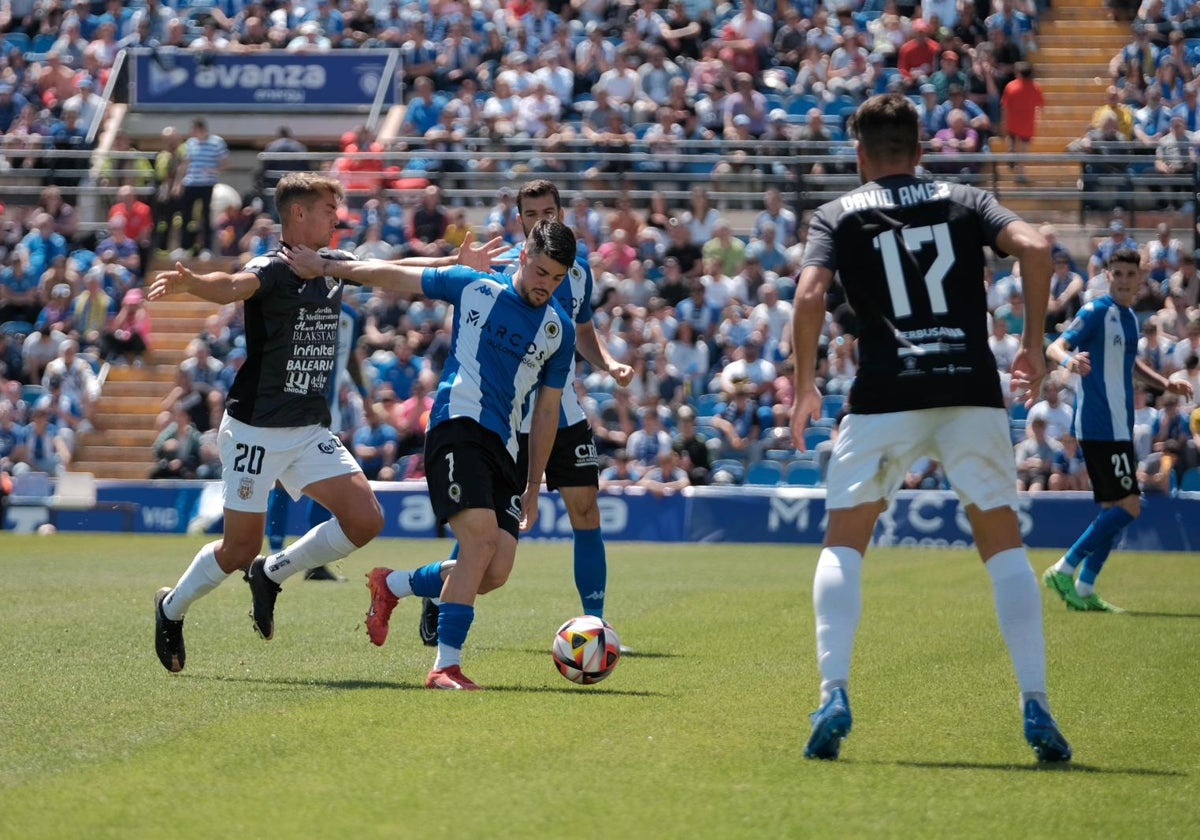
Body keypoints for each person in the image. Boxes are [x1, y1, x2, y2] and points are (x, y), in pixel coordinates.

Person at [789, 94, 1071, 763]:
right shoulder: (967, 198)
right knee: (1003, 548)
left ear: (861, 154)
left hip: (884, 394)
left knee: (844, 545)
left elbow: (807, 296)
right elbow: (1034, 248)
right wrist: (1032, 342)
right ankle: (1035, 701)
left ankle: (834, 692)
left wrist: (804, 384)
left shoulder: (836, 212)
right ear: (921, 148)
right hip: (969, 388)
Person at [284, 219, 578, 690]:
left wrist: (534, 484)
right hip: (456, 427)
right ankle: (445, 666)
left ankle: (392, 585)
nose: (547, 285)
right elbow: (394, 276)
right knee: (479, 544)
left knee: (494, 571)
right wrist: (323, 264)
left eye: (557, 278)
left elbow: (546, 415)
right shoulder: (475, 286)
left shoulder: (558, 331)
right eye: (541, 272)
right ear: (523, 258)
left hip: (506, 451)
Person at [364, 180, 634, 653]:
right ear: (521, 224)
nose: (542, 219)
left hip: (555, 410)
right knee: (480, 536)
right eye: (533, 214)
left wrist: (607, 363)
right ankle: (444, 632)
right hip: (493, 417)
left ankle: (595, 625)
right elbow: (423, 275)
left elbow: (583, 332)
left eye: (550, 211)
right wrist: (340, 267)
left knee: (580, 511)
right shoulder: (497, 271)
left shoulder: (576, 274)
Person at [145, 173, 391, 674]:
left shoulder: (333, 264)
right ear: (298, 214)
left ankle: (272, 574)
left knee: (366, 520)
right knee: (239, 547)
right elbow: (234, 284)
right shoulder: (273, 270)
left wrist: (454, 265)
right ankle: (171, 608)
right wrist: (193, 282)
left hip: (306, 429)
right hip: (255, 429)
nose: (335, 219)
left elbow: (395, 268)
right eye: (327, 210)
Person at [1042, 249, 1194, 613]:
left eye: (1130, 273)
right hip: (1098, 425)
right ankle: (1063, 568)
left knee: (1114, 509)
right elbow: (1055, 346)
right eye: (1118, 273)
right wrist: (1069, 360)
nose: (1124, 279)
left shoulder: (1127, 317)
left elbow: (1132, 362)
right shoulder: (1096, 311)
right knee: (1131, 506)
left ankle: (1084, 587)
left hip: (1118, 425)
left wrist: (1164, 384)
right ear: (1107, 277)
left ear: (1140, 278)